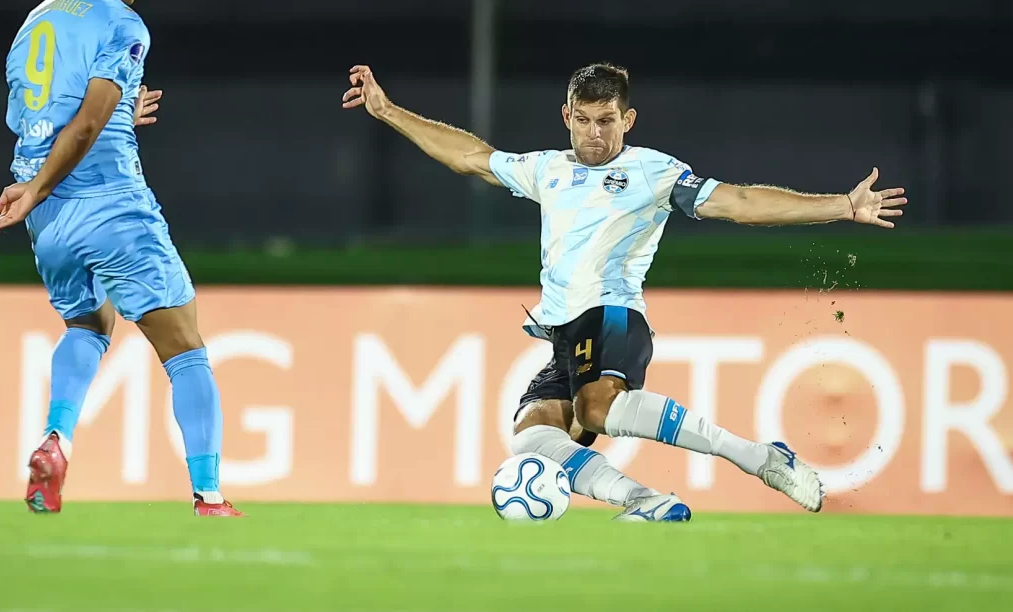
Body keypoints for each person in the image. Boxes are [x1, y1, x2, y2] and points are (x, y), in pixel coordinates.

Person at [342, 62, 907, 522]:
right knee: (532, 437)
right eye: (584, 120)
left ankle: (758, 458)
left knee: (596, 407)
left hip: (612, 315)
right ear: (566, 116)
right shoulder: (545, 170)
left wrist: (841, 206)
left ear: (628, 120)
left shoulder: (655, 173)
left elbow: (737, 202)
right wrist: (386, 110)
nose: (595, 133)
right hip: (564, 335)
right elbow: (469, 156)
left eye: (607, 120)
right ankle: (645, 500)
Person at [0, 0, 242, 517]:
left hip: (47, 215)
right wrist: (44, 183)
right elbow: (87, 122)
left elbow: (40, 117)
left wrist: (36, 188)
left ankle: (57, 439)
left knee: (88, 326)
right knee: (186, 349)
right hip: (108, 202)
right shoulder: (123, 24)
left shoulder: (35, 21)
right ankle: (209, 496)